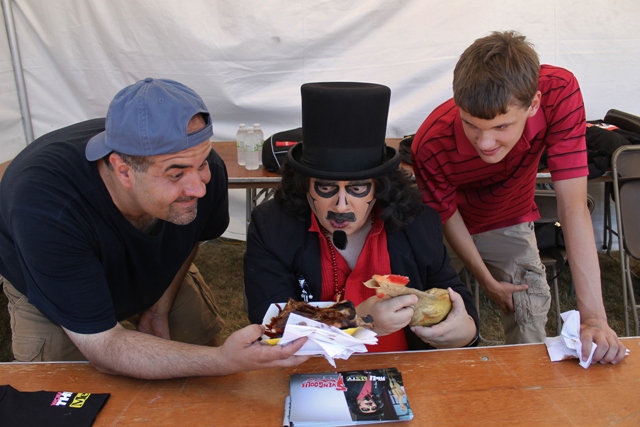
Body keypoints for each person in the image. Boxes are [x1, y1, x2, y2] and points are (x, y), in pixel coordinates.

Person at [0, 78, 308, 379]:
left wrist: (159, 308)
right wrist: (223, 360)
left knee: (201, 362)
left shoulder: (202, 167)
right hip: (53, 283)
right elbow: (103, 346)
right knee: (62, 388)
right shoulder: (46, 205)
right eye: (176, 175)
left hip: (154, 267)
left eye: (201, 163)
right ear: (123, 171)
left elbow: (191, 237)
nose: (199, 188)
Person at [411, 31, 626, 363]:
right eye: (471, 125)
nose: (485, 143)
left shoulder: (560, 91)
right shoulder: (430, 141)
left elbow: (572, 207)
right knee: (429, 318)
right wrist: (486, 281)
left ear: (534, 104)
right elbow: (448, 216)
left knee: (528, 311)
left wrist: (595, 318)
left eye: (501, 127)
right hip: (448, 228)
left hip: (507, 215)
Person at [244, 82, 479, 352]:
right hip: (309, 369)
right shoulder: (273, 227)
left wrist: (464, 330)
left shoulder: (417, 223)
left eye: (357, 189)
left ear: (379, 187)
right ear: (305, 186)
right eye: (326, 188)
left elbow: (455, 298)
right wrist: (356, 320)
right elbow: (271, 323)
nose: (341, 205)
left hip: (404, 370)